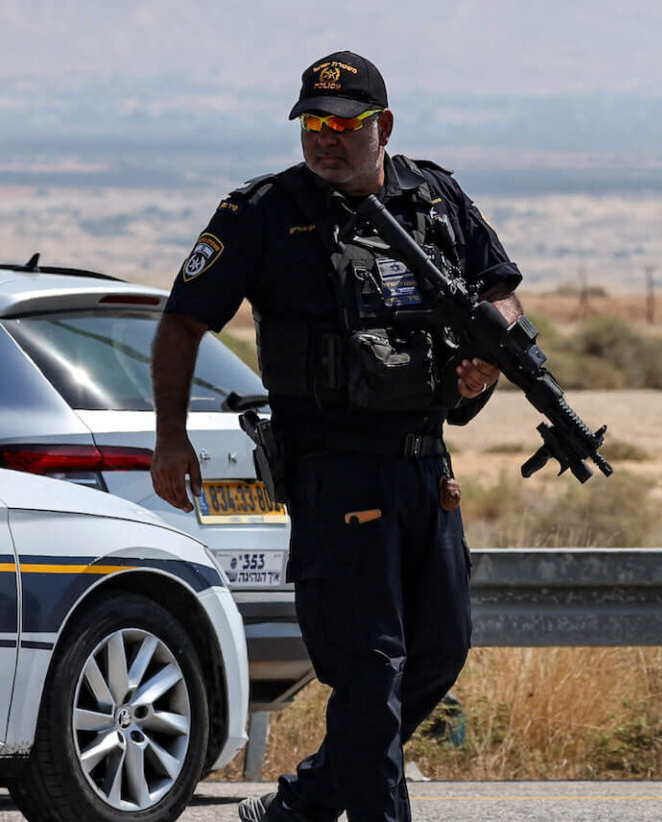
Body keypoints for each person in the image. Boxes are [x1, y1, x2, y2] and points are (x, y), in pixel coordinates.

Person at [150, 51, 522, 822]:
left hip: (427, 465)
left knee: (439, 653)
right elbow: (182, 323)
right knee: (369, 668)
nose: (325, 140)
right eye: (313, 125)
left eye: (344, 125)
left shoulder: (435, 196)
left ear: (381, 126)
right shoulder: (261, 213)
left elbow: (501, 290)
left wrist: (490, 353)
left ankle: (306, 802)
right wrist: (170, 439)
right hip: (335, 467)